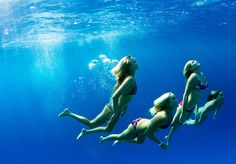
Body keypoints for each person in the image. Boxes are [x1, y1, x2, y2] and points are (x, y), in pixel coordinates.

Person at [58, 56, 138, 139]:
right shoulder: (130, 79)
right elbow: (115, 97)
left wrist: (125, 106)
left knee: (108, 129)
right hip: (113, 109)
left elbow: (124, 95)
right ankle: (68, 113)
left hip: (117, 109)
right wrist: (115, 112)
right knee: (92, 124)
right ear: (128, 66)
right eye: (133, 61)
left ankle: (86, 132)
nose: (136, 61)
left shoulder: (128, 79)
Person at [100, 92, 178, 150]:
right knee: (119, 136)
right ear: (167, 103)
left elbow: (172, 122)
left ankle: (122, 140)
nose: (177, 100)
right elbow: (147, 133)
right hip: (136, 126)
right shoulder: (162, 116)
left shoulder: (171, 113)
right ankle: (104, 139)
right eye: (173, 99)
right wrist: (160, 144)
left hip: (144, 126)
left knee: (139, 141)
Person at [165, 60, 207, 146]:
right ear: (191, 67)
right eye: (193, 61)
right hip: (184, 107)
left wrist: (197, 105)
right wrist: (183, 112)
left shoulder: (201, 74)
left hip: (191, 108)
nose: (196, 60)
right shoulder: (193, 76)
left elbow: (199, 93)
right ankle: (160, 114)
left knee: (179, 123)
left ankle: (169, 136)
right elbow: (185, 95)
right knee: (172, 123)